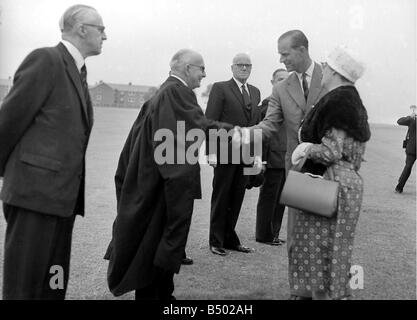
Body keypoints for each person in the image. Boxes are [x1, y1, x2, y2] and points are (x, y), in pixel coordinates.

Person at [104, 49, 234, 300]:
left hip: (152, 183)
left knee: (152, 248)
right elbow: (190, 132)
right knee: (158, 247)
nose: (204, 74)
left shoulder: (164, 92)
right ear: (187, 68)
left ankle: (163, 293)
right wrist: (240, 134)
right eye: (201, 68)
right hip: (162, 186)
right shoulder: (176, 92)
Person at [0, 4, 106, 300]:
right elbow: (8, 121)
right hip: (34, 199)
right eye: (101, 29)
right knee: (24, 289)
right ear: (81, 29)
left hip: (62, 202)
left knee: (53, 285)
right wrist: (12, 179)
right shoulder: (46, 60)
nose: (105, 36)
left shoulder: (78, 71)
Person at [248, 30, 324, 299]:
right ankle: (300, 292)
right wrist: (245, 134)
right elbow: (270, 124)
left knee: (325, 237)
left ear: (302, 50)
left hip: (330, 171)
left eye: (285, 53)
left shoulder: (331, 78)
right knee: (298, 237)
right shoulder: (281, 88)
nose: (281, 60)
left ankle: (322, 292)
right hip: (300, 173)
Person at [290, 45, 371, 300]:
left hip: (330, 182)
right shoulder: (351, 100)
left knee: (319, 248)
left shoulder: (339, 101)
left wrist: (306, 148)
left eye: (326, 65)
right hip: (345, 183)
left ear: (335, 71)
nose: (322, 69)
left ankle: (320, 296)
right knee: (332, 248)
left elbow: (331, 151)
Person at [205, 53, 261, 256]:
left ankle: (230, 239)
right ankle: (216, 240)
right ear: (232, 67)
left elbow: (255, 125)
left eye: (248, 65)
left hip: (246, 153)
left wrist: (256, 155)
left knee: (237, 196)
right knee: (221, 196)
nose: (244, 68)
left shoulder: (255, 92)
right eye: (240, 65)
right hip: (224, 152)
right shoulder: (220, 88)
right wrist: (211, 152)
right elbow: (210, 120)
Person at [255, 69, 289, 246]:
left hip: (285, 159)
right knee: (269, 198)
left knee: (281, 200)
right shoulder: (269, 104)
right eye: (280, 80)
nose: (283, 83)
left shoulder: (288, 103)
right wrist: (262, 161)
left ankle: (274, 233)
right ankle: (264, 234)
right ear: (272, 82)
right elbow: (263, 135)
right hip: (272, 159)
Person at [395, 105, 416, 193]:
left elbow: (399, 121)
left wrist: (409, 117)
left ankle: (399, 187)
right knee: (408, 167)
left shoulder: (413, 119)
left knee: (408, 167)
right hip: (412, 147)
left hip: (412, 147)